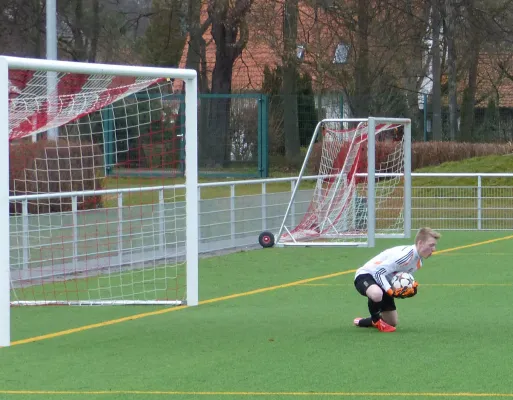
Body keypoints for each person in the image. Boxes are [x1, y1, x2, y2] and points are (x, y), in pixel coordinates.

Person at [353, 227, 441, 332]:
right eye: (431, 245)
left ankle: (364, 321)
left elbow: (396, 278)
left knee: (391, 322)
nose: (434, 249)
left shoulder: (418, 262)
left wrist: (405, 289)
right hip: (366, 275)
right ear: (420, 243)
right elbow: (378, 272)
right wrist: (390, 290)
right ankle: (377, 321)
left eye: (434, 245)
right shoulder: (404, 256)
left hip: (383, 282)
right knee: (377, 294)